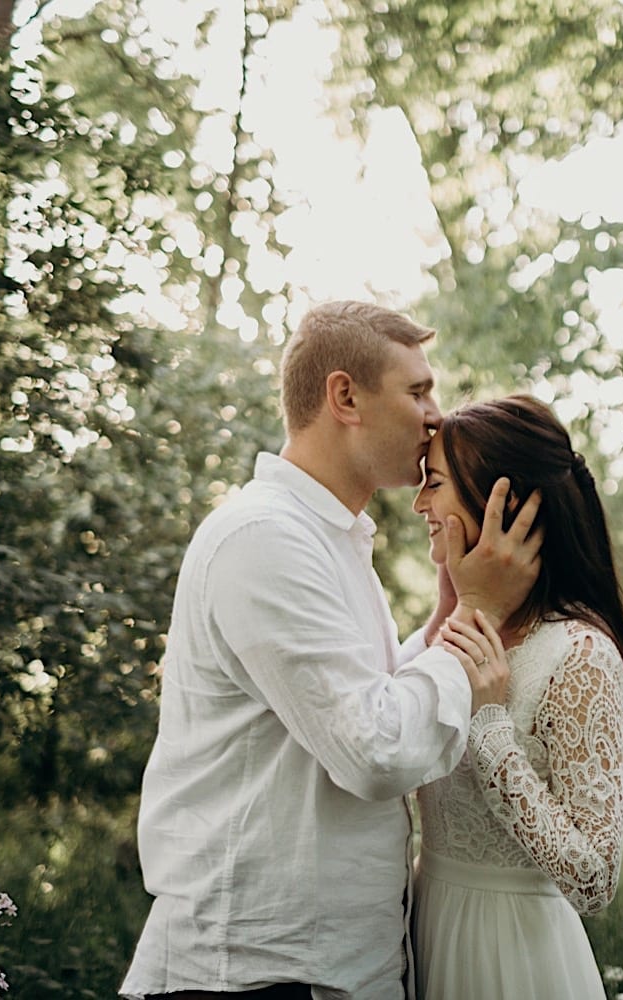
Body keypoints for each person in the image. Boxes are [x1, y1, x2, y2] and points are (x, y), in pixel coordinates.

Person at [119, 301, 543, 1000]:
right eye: (417, 390)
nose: (435, 415)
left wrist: (449, 608)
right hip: (258, 973)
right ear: (345, 395)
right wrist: (479, 610)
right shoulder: (264, 539)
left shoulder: (331, 541)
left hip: (331, 966)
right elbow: (377, 750)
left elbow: (371, 698)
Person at [409, 394, 623, 1000]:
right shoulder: (444, 634)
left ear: (498, 502)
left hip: (512, 956)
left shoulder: (577, 652)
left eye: (432, 483)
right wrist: (450, 604)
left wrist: (491, 730)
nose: (420, 504)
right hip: (425, 934)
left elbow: (595, 879)